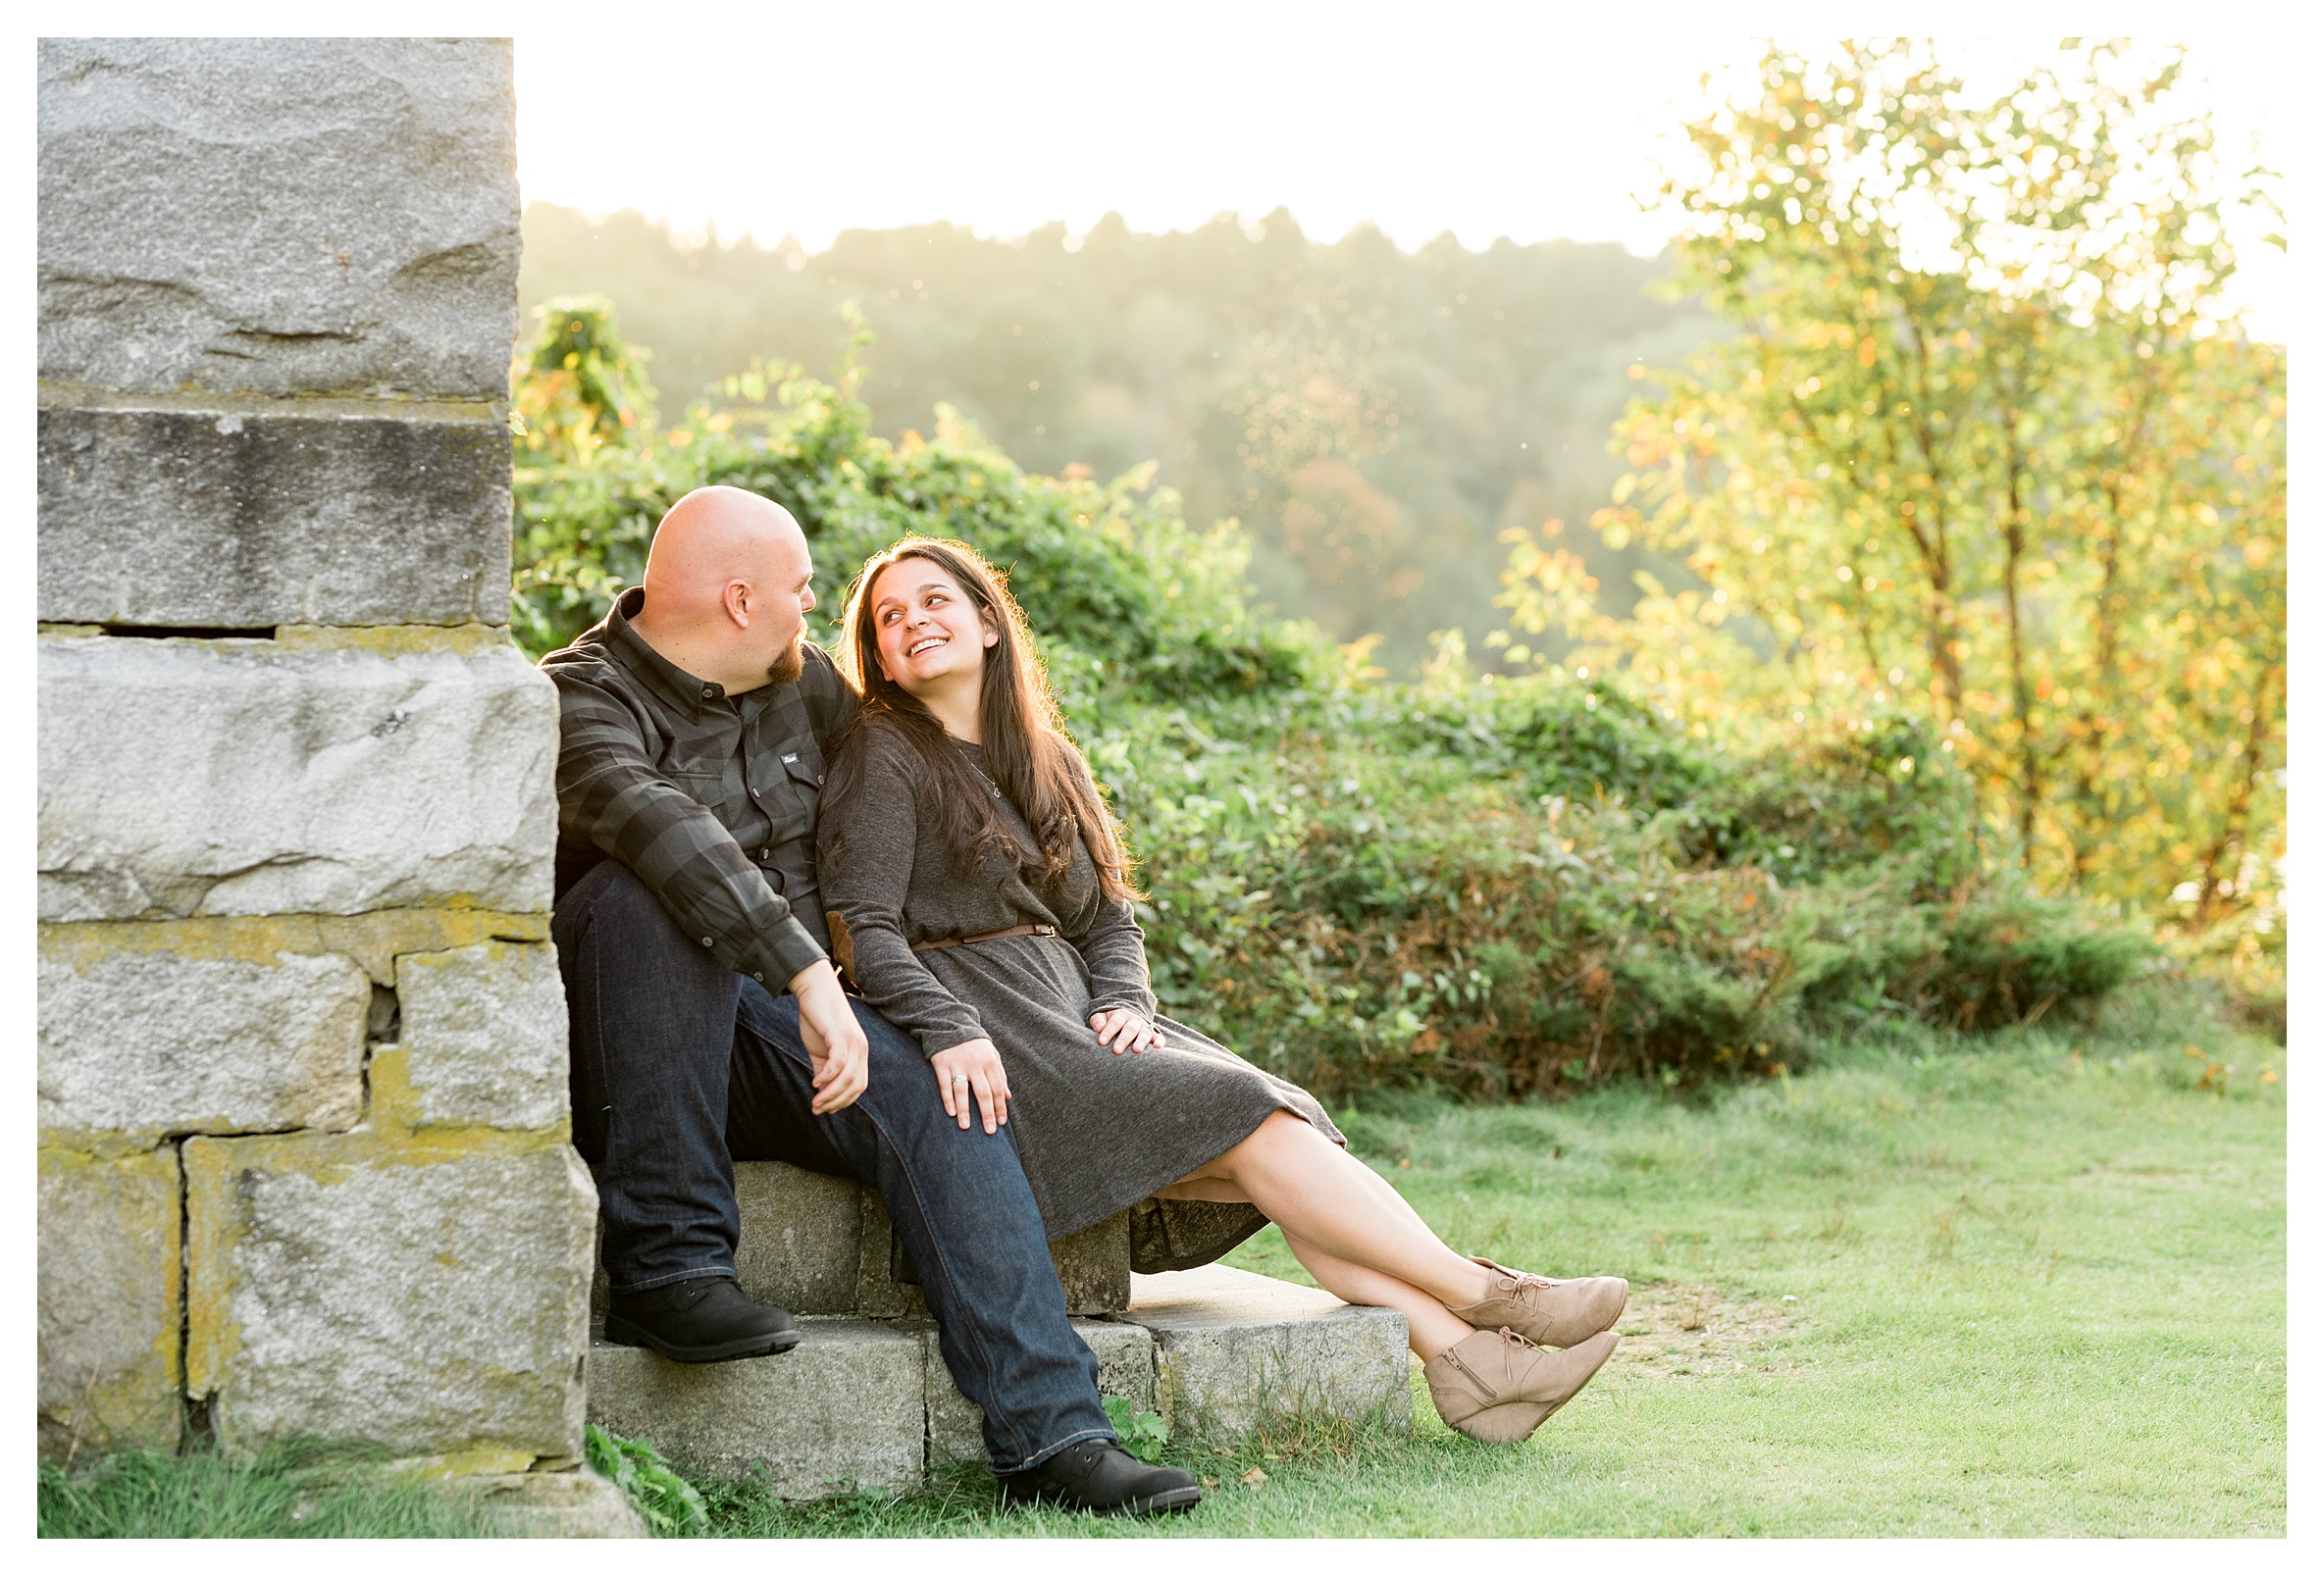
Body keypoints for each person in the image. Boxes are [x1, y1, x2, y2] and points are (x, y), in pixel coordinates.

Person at [816, 537, 1629, 1447]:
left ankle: (1471, 1368)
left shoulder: (1048, 759)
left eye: (934, 601)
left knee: (1275, 1137)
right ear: (878, 655)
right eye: (890, 617)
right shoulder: (881, 753)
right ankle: (1488, 1296)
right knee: (1248, 1111)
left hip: (1080, 1018)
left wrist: (1124, 998)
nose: (914, 622)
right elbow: (863, 931)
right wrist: (945, 1025)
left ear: (986, 622)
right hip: (994, 1040)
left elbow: (1109, 923)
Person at [540, 487, 1201, 1515]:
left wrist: (968, 992)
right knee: (642, 895)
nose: (813, 616)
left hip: (787, 1035)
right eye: (802, 593)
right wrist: (812, 973)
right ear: (738, 599)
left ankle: (1055, 1437)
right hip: (633, 1042)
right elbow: (669, 830)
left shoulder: (801, 687)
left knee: (950, 1096)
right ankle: (668, 1268)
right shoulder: (580, 700)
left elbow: (917, 795)